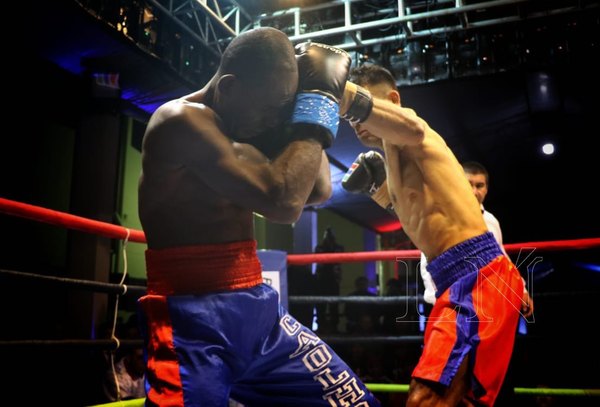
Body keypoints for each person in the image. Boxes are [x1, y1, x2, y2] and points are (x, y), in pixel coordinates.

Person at [137, 27, 379, 406]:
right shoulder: (180, 121)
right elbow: (283, 203)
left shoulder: (247, 126)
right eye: (269, 109)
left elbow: (316, 190)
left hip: (259, 311)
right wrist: (318, 106)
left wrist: (304, 104)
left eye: (279, 112)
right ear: (229, 87)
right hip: (192, 318)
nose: (272, 121)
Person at [339, 63, 528, 406]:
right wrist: (379, 191)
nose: (354, 122)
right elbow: (418, 215)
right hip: (457, 280)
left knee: (427, 399)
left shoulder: (414, 130)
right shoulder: (394, 157)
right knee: (457, 400)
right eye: (349, 117)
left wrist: (342, 92)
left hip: (476, 276)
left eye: (360, 108)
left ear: (392, 100)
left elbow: (410, 124)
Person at [419, 161, 534, 316]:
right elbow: (428, 261)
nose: (474, 191)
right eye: (469, 184)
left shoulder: (491, 221)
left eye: (479, 186)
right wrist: (439, 301)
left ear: (486, 189)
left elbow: (501, 258)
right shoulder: (442, 216)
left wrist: (521, 289)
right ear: (458, 184)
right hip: (450, 302)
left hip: (487, 303)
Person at [314, 226, 344, 332]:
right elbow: (319, 256)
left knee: (333, 305)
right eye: (327, 235)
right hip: (322, 280)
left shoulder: (338, 248)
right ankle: (321, 326)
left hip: (333, 280)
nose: (328, 237)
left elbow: (339, 256)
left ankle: (334, 327)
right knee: (321, 305)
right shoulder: (319, 248)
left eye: (330, 235)